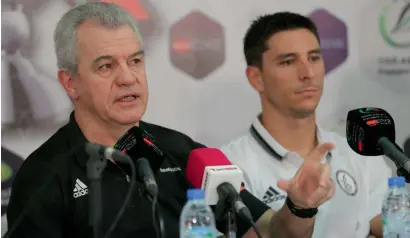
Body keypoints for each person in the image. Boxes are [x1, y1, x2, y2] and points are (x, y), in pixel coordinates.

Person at [7, 3, 334, 238]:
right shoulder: (45, 174)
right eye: (106, 66)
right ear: (70, 83)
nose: (127, 78)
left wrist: (299, 207)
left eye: (135, 61)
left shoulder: (183, 151)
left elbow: (270, 233)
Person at [220, 12, 394, 238]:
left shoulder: (359, 153)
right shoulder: (228, 167)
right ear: (256, 78)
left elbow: (395, 228)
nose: (307, 73)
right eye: (288, 61)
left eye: (313, 58)